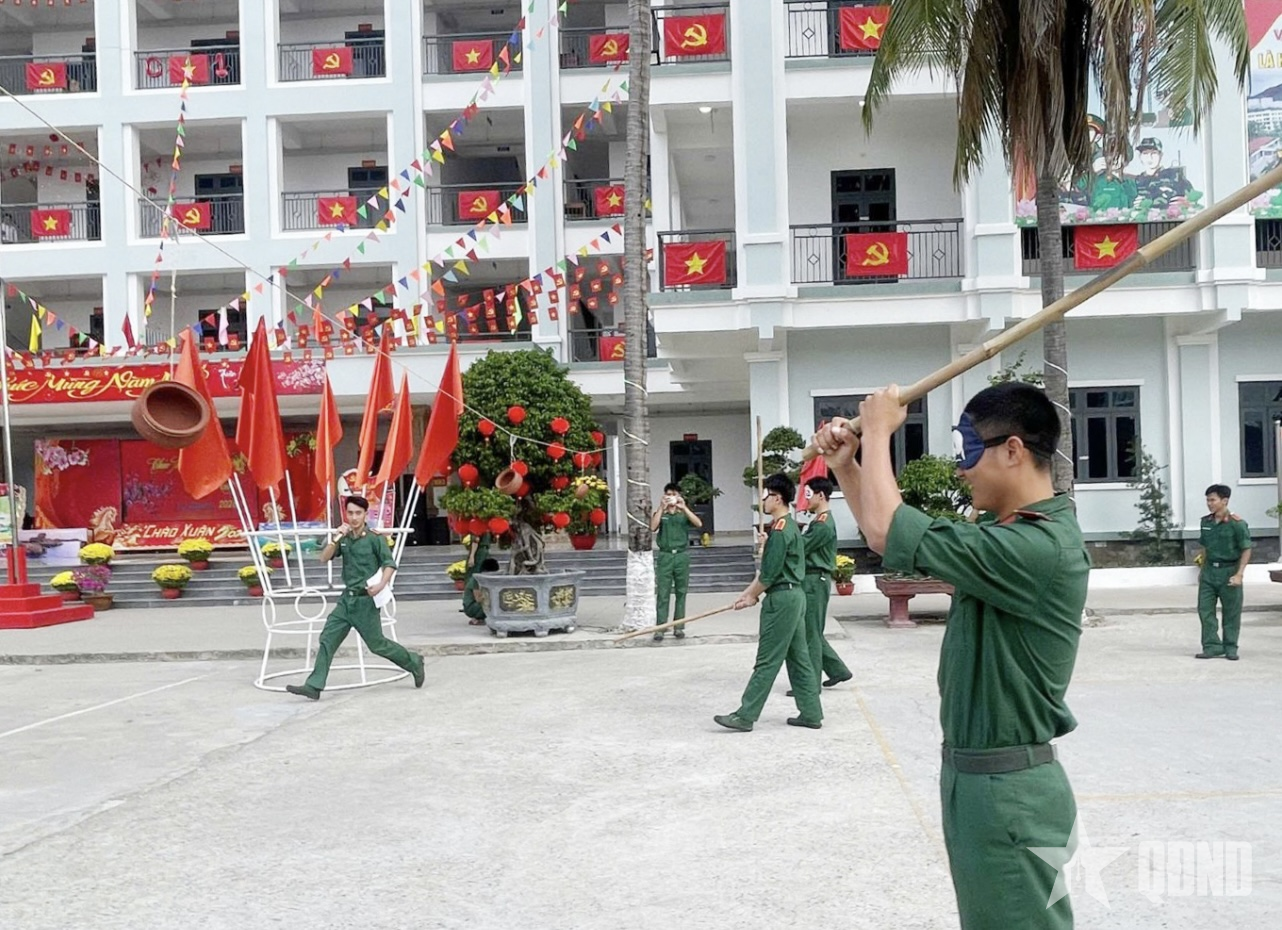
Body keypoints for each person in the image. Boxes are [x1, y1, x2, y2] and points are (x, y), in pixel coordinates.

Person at [814, 382, 1090, 928]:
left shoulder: (1037, 548)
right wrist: (850, 464)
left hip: (1008, 790)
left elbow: (893, 525)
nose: (961, 470)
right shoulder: (1006, 534)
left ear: (1012, 450)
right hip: (977, 778)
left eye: (968, 451)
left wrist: (877, 432)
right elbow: (882, 533)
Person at [714, 473, 823, 732]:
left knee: (768, 659)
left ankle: (746, 715)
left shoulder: (781, 531)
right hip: (794, 596)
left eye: (765, 496)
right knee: (799, 658)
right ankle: (811, 712)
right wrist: (747, 593)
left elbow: (769, 574)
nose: (763, 500)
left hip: (782, 600)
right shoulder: (789, 527)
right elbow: (769, 573)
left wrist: (752, 595)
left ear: (777, 498)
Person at [286, 495, 424, 699]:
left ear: (365, 514)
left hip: (365, 601)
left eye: (358, 513)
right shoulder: (344, 538)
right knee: (327, 639)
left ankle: (414, 661)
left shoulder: (375, 538)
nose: (354, 517)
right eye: (350, 513)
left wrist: (381, 585)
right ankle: (314, 686)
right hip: (346, 600)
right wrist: (335, 538)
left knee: (377, 645)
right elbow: (323, 558)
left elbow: (389, 564)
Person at [797, 476, 852, 690]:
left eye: (808, 494)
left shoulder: (822, 525)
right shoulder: (820, 521)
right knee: (813, 630)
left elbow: (801, 547)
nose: (806, 499)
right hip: (812, 579)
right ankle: (838, 670)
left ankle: (811, 683)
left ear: (821, 495)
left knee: (810, 632)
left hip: (814, 580)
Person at [1195, 484, 1251, 661]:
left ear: (1224, 501)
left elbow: (1246, 549)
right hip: (1209, 572)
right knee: (1205, 610)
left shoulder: (1237, 524)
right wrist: (1202, 568)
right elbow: (1205, 546)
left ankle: (1230, 646)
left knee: (1231, 612)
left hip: (1229, 570)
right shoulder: (1206, 522)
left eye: (1213, 500)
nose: (1209, 503)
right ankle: (1211, 646)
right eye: (1207, 500)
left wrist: (1240, 574)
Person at [650, 482, 702, 641]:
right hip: (665, 555)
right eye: (668, 494)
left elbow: (698, 524)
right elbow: (652, 527)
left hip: (681, 555)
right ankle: (660, 628)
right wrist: (661, 507)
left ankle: (679, 626)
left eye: (674, 494)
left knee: (681, 592)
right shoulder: (661, 513)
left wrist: (684, 507)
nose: (671, 497)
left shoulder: (683, 514)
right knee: (663, 593)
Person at [462, 531, 492, 626]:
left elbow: (475, 541)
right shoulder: (486, 528)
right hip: (483, 551)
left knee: (474, 574)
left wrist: (471, 556)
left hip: (479, 552)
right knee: (476, 576)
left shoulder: (478, 527)